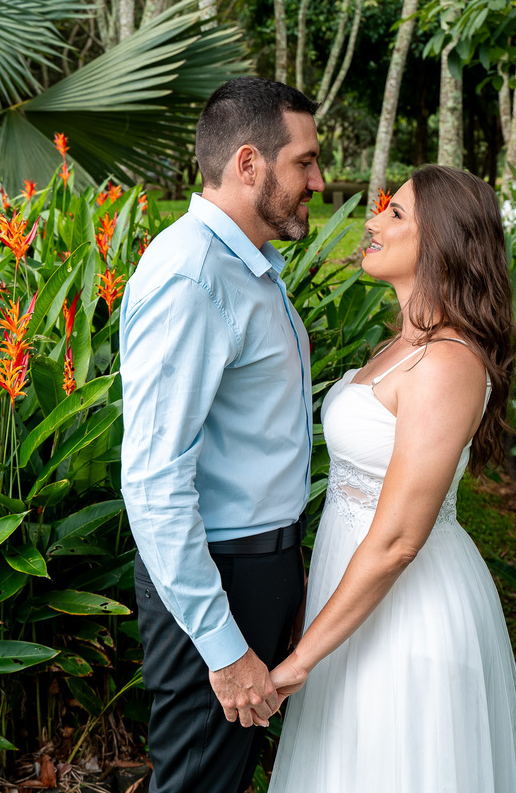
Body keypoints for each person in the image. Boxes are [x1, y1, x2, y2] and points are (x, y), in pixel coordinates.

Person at [266, 165, 516, 792]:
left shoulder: (449, 363)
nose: (371, 222)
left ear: (442, 242)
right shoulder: (402, 345)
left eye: (396, 215)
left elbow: (398, 540)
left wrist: (300, 660)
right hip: (351, 599)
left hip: (412, 613)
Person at [118, 77, 324, 793]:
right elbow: (153, 481)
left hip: (253, 566)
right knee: (199, 782)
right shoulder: (194, 276)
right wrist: (221, 644)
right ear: (248, 164)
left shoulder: (246, 266)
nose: (318, 181)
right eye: (304, 162)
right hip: (215, 577)